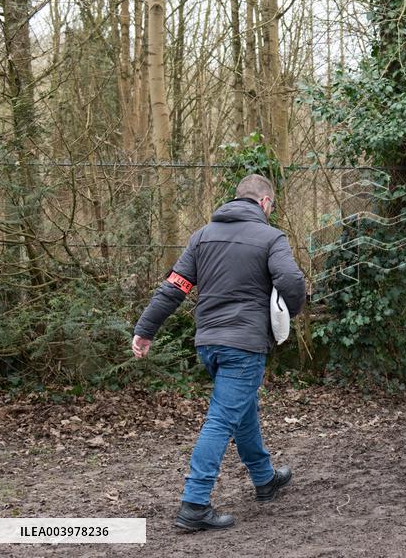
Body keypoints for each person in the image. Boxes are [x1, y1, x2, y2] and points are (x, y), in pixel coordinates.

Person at [131, 174, 306, 530]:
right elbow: (291, 280)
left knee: (243, 409)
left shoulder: (202, 236)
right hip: (244, 344)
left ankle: (264, 479)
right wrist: (289, 312)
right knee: (222, 419)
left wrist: (145, 330)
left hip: (208, 343)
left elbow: (173, 288)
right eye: (271, 206)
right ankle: (195, 504)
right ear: (265, 203)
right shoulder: (271, 237)